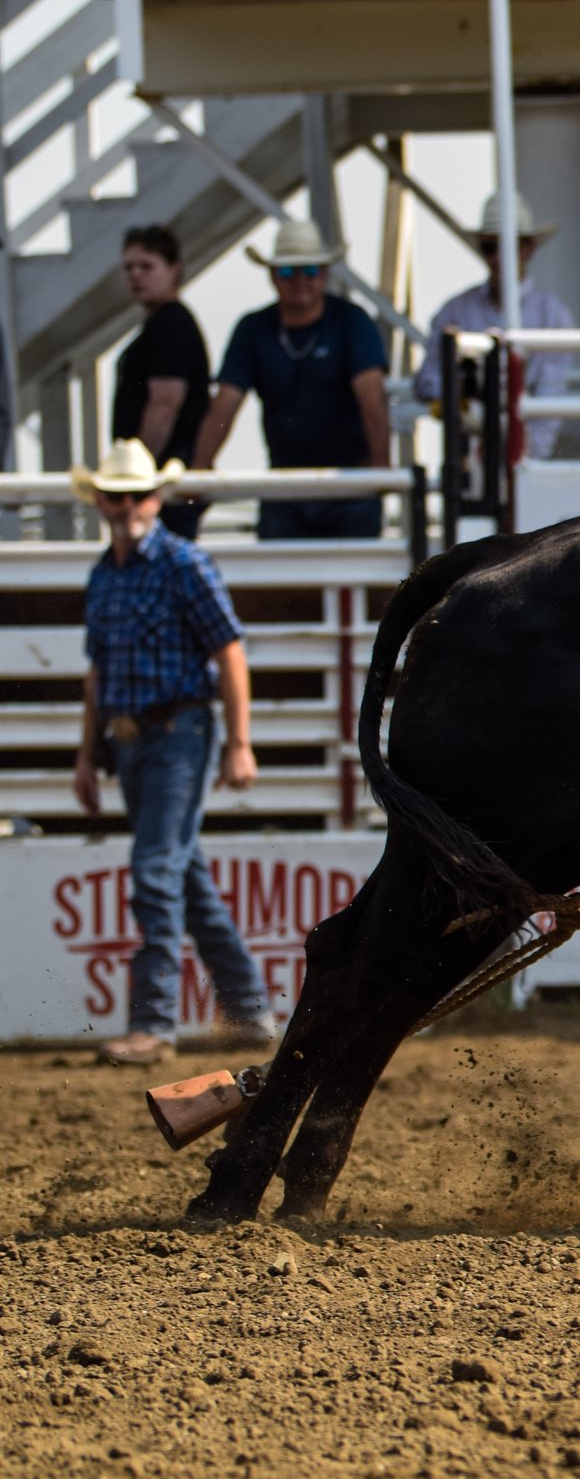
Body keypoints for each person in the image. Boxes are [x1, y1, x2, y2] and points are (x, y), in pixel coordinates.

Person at [70, 440, 274, 1067]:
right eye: (116, 495)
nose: (127, 505)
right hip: (132, 740)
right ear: (101, 502)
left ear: (154, 499)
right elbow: (98, 672)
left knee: (156, 870)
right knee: (183, 874)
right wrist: (87, 754)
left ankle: (152, 1024)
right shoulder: (105, 574)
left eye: (136, 495)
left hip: (180, 733)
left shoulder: (184, 564)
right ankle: (248, 1011)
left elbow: (229, 653)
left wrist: (239, 742)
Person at [192, 218, 391, 539]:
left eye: (309, 270)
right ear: (272, 276)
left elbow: (372, 399)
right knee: (286, 586)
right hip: (284, 486)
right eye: (287, 271)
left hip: (349, 485)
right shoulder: (253, 329)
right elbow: (224, 406)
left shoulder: (351, 322)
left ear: (324, 274)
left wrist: (380, 470)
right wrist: (200, 470)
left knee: (352, 583)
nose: (299, 279)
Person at [413, 192, 578, 459]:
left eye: (510, 247)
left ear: (528, 248)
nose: (500, 258)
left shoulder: (554, 317)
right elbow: (426, 382)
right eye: (491, 247)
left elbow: (548, 407)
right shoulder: (454, 310)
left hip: (523, 459)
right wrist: (462, 399)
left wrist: (523, 460)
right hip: (467, 461)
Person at [111, 225, 213, 539]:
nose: (136, 275)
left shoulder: (170, 325)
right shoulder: (165, 324)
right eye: (129, 267)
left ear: (174, 269)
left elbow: (164, 405)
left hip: (161, 485)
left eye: (146, 266)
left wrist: (136, 478)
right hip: (161, 483)